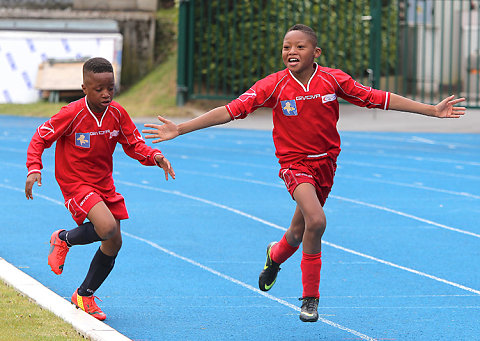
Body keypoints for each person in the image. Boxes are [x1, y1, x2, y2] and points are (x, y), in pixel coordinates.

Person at [142, 24, 466, 322]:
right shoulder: (273, 85)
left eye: (299, 46)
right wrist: (181, 128)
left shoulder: (333, 80)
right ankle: (310, 299)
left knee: (297, 233)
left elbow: (377, 98)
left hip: (326, 166)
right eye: (286, 47)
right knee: (317, 221)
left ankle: (275, 255)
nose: (291, 52)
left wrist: (432, 110)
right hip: (294, 166)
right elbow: (229, 110)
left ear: (316, 53)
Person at [25, 57, 175, 320]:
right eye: (99, 89)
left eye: (111, 88)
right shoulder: (70, 114)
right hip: (75, 182)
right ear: (84, 88)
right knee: (106, 228)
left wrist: (155, 156)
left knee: (114, 241)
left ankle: (84, 294)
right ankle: (63, 238)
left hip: (103, 182)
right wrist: (34, 167)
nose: (106, 94)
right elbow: (40, 137)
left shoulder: (117, 113)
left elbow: (134, 144)